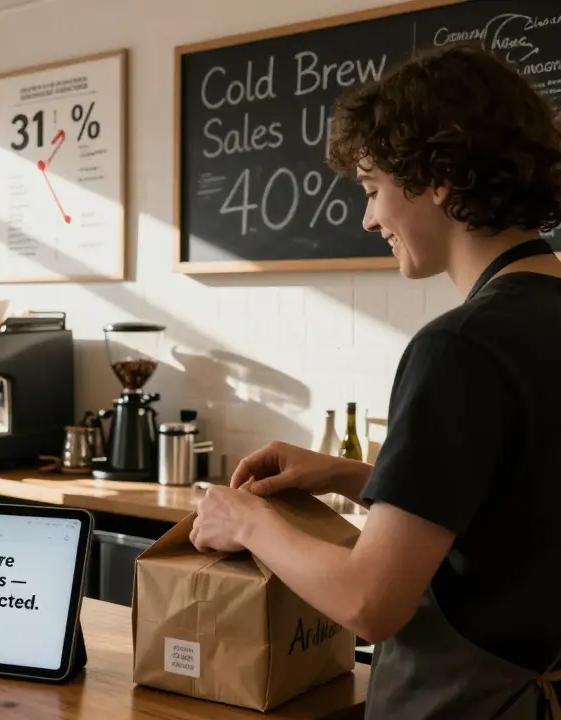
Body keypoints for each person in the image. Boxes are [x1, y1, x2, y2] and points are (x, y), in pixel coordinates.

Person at [189, 45, 561, 718]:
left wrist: (246, 520)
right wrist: (349, 476)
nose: (368, 220)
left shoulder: (461, 346)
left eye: (372, 189)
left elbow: (370, 603)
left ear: (439, 177)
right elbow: (514, 514)